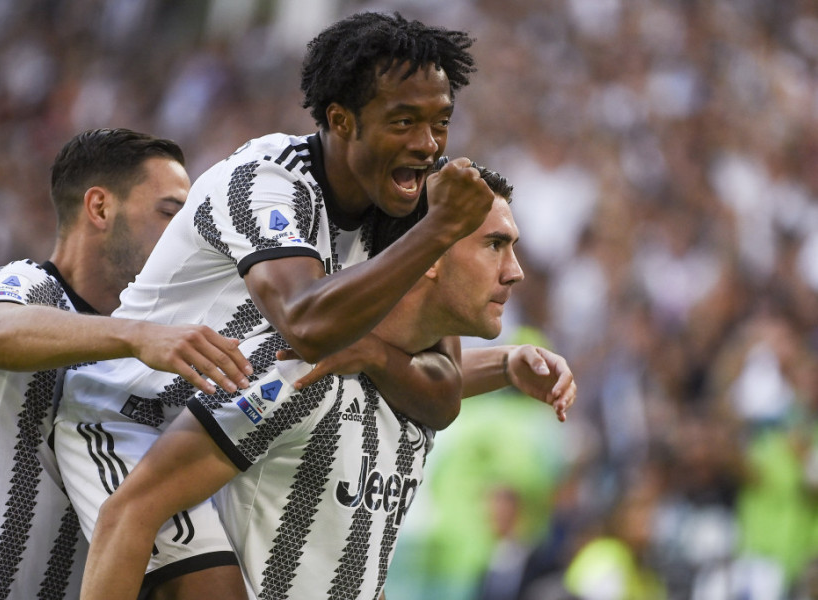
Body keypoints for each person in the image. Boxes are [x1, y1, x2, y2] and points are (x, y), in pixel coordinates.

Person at [55, 11, 573, 599]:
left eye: (441, 123)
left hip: (222, 419)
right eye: (404, 121)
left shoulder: (394, 209)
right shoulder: (267, 183)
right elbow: (307, 327)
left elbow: (441, 386)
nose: (428, 145)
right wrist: (438, 232)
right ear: (341, 120)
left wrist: (482, 362)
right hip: (126, 415)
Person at [79, 163, 530, 599]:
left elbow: (356, 571)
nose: (514, 271)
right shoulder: (294, 367)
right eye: (495, 245)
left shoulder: (415, 391)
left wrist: (509, 364)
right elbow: (129, 512)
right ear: (431, 253)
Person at [0, 128, 252, 600]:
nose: (185, 235)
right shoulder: (27, 284)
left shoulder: (154, 349)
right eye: (170, 213)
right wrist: (138, 336)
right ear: (99, 208)